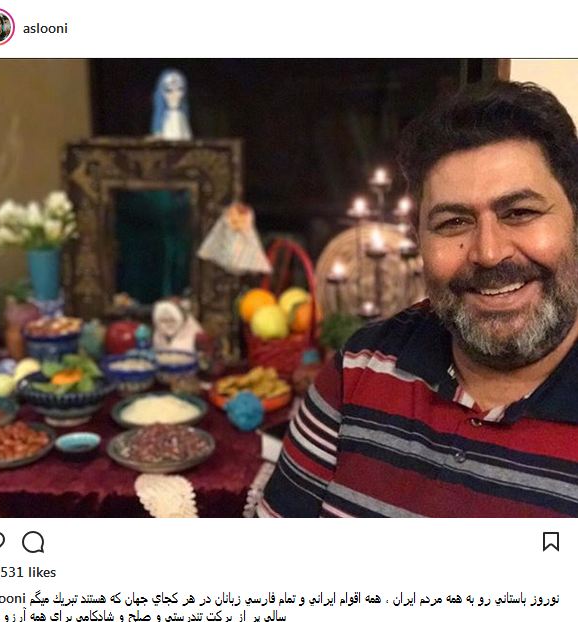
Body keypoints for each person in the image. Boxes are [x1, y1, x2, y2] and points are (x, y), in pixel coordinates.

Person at [258, 81, 578, 518]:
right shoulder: (361, 368)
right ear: (419, 242)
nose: (488, 253)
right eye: (453, 222)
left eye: (520, 213)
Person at [150, 69, 193, 140]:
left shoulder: (182, 116)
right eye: (169, 90)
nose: (176, 94)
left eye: (180, 89)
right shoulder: (163, 118)